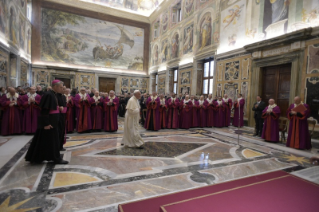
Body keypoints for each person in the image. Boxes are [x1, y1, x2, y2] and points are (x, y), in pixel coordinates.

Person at [25, 80, 68, 164]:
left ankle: (38, 157)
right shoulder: (49, 95)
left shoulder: (53, 94)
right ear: (55, 86)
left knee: (46, 141)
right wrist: (46, 124)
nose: (61, 89)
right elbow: (44, 110)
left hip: (53, 121)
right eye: (60, 87)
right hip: (49, 122)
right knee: (52, 142)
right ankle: (56, 158)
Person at [57, 85, 67, 151]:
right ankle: (57, 146)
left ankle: (61, 146)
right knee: (58, 131)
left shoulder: (63, 96)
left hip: (63, 115)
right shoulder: (56, 96)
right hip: (57, 116)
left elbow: (65, 105)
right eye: (63, 89)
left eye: (65, 89)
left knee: (62, 131)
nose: (64, 90)